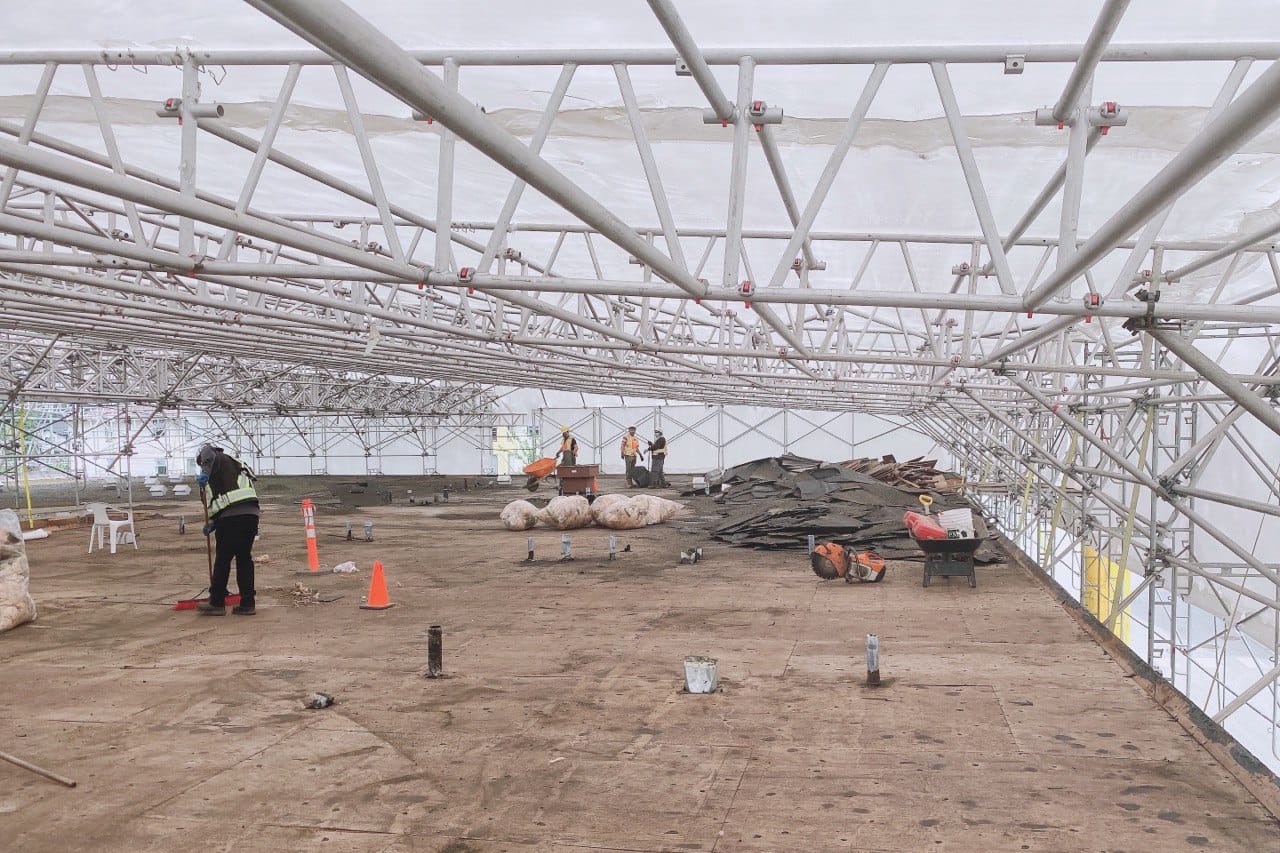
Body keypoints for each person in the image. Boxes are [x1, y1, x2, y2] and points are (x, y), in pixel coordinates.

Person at [194, 444, 260, 616]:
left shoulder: (212, 455)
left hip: (232, 517)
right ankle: (247, 604)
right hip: (251, 514)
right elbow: (228, 496)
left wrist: (205, 473)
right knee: (244, 559)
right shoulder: (234, 465)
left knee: (223, 559)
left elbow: (207, 452)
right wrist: (214, 522)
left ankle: (216, 602)